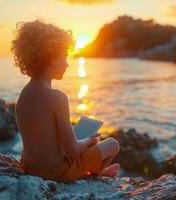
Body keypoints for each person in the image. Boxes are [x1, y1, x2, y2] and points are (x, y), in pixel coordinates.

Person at [10, 19, 120, 183]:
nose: (67, 64)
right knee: (112, 144)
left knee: (78, 141)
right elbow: (71, 150)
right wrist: (89, 141)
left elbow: (42, 138)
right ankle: (97, 173)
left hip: (29, 168)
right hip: (57, 173)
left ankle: (91, 169)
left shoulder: (23, 96)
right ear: (53, 59)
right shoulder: (57, 97)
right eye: (65, 57)